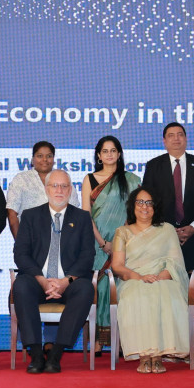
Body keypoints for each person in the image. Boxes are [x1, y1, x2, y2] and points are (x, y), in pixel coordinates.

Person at [12, 170, 95, 374]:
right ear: (46, 189)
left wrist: (66, 281)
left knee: (85, 289)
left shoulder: (82, 217)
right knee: (21, 285)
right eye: (54, 186)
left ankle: (56, 353)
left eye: (64, 186)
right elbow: (21, 254)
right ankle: (37, 354)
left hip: (68, 282)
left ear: (70, 189)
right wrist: (41, 280)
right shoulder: (31, 215)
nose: (59, 190)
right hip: (37, 280)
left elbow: (87, 256)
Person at [5, 141, 80, 351]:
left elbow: (74, 211)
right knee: (26, 289)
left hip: (62, 249)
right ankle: (32, 342)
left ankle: (50, 341)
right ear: (32, 158)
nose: (44, 160)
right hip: (32, 248)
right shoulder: (22, 179)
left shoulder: (61, 180)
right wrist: (23, 243)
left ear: (54, 158)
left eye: (48, 156)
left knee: (58, 285)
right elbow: (12, 212)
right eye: (39, 155)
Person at [111, 188, 190, 373]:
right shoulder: (122, 232)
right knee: (136, 296)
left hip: (163, 277)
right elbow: (118, 266)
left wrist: (163, 274)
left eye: (149, 203)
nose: (144, 207)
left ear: (156, 207)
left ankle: (158, 355)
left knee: (167, 293)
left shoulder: (167, 229)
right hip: (133, 278)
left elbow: (176, 263)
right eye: (140, 202)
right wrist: (140, 277)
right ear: (132, 206)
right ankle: (145, 356)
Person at [82, 135, 141, 356]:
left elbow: (137, 214)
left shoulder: (131, 180)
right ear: (98, 155)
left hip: (125, 245)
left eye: (113, 150)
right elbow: (86, 215)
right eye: (105, 151)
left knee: (124, 291)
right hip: (97, 246)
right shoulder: (89, 179)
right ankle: (100, 340)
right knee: (101, 289)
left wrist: (118, 243)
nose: (109, 154)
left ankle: (125, 340)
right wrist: (102, 242)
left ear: (119, 154)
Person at [141, 122, 194, 290]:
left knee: (190, 287)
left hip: (193, 238)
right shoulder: (153, 166)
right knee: (162, 287)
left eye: (180, 134)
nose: (176, 138)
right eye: (171, 135)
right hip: (161, 238)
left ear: (186, 139)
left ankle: (191, 318)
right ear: (164, 141)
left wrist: (193, 227)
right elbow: (147, 202)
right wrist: (165, 229)